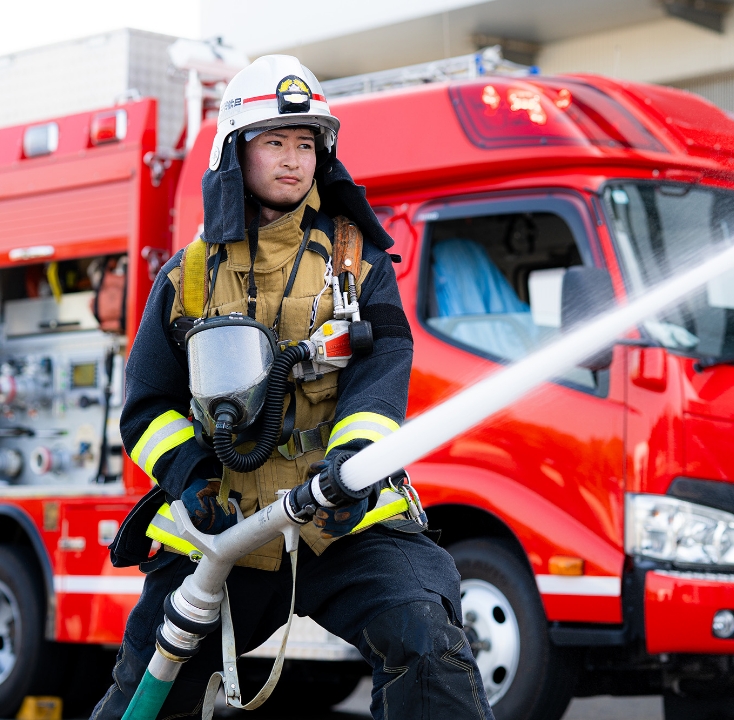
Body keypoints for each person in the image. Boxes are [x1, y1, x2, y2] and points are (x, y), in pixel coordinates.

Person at [92, 55, 494, 720]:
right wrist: (193, 481)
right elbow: (146, 409)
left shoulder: (358, 262)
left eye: (305, 143)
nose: (292, 160)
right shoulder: (186, 278)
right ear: (236, 151)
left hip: (341, 520)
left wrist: (351, 468)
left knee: (426, 637)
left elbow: (381, 374)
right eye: (274, 142)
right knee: (147, 688)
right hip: (224, 530)